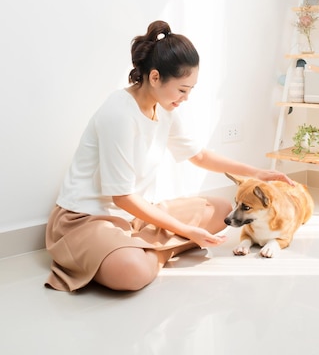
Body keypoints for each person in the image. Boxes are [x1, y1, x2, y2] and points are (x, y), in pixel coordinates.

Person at [45, 20, 294, 293]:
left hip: (134, 218)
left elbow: (199, 156)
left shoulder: (163, 110)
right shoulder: (118, 114)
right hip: (87, 220)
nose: (185, 98)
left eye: (190, 91)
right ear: (154, 77)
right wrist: (187, 232)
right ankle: (154, 251)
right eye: (182, 90)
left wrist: (256, 173)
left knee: (222, 210)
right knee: (133, 273)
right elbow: (121, 197)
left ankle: (143, 245)